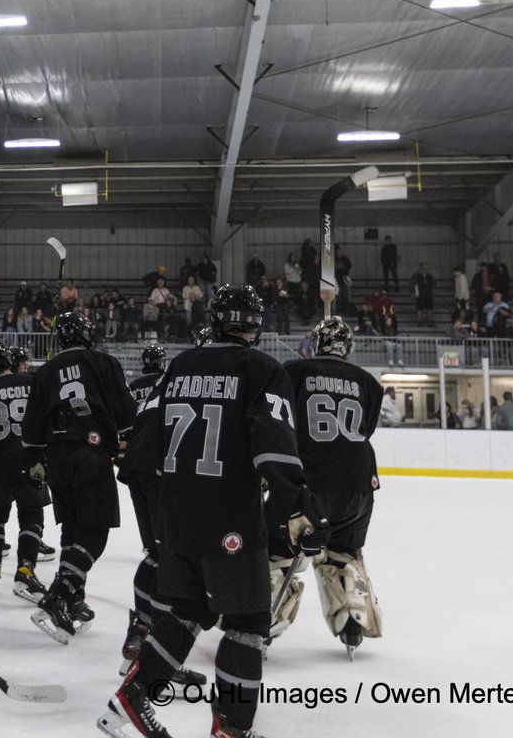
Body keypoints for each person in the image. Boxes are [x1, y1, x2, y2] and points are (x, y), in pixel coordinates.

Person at [97, 284, 324, 738]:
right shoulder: (262, 369)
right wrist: (298, 510)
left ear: (216, 320)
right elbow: (276, 450)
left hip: (176, 517)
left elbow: (139, 446)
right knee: (246, 626)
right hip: (230, 521)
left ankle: (131, 696)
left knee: (187, 610)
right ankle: (231, 727)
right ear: (255, 326)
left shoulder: (180, 366)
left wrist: (161, 506)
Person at [269, 317, 384, 656]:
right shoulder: (368, 382)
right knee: (342, 552)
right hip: (359, 484)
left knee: (277, 553)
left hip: (309, 483)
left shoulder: (294, 372)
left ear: (315, 343)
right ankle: (352, 620)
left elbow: (279, 421)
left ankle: (261, 623)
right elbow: (366, 429)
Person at [23, 311, 136, 643]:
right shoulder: (104, 362)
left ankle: (74, 599)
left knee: (73, 529)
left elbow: (31, 425)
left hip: (56, 456)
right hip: (91, 451)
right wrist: (129, 444)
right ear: (89, 335)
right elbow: (127, 413)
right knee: (94, 531)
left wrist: (33, 459)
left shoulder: (45, 371)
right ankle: (58, 595)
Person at [116, 344, 207, 687]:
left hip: (139, 465)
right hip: (163, 467)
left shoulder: (171, 375)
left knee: (158, 554)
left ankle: (141, 632)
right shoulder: (210, 374)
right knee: (176, 562)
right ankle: (156, 653)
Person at [0, 341, 51, 603]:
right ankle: (25, 571)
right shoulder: (30, 383)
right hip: (29, 459)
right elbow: (45, 419)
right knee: (31, 516)